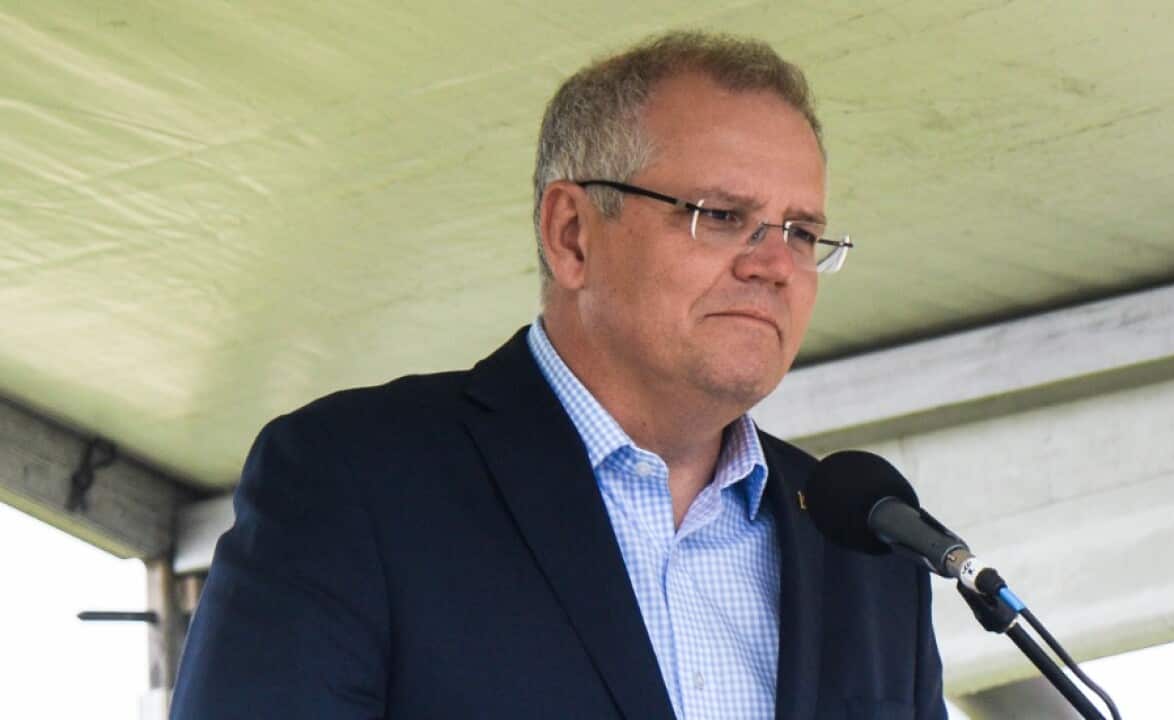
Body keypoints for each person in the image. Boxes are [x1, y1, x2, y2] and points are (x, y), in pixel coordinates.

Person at [171, 31, 946, 720]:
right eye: (719, 215)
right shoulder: (357, 479)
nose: (775, 264)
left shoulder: (863, 547)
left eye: (803, 232)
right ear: (572, 234)